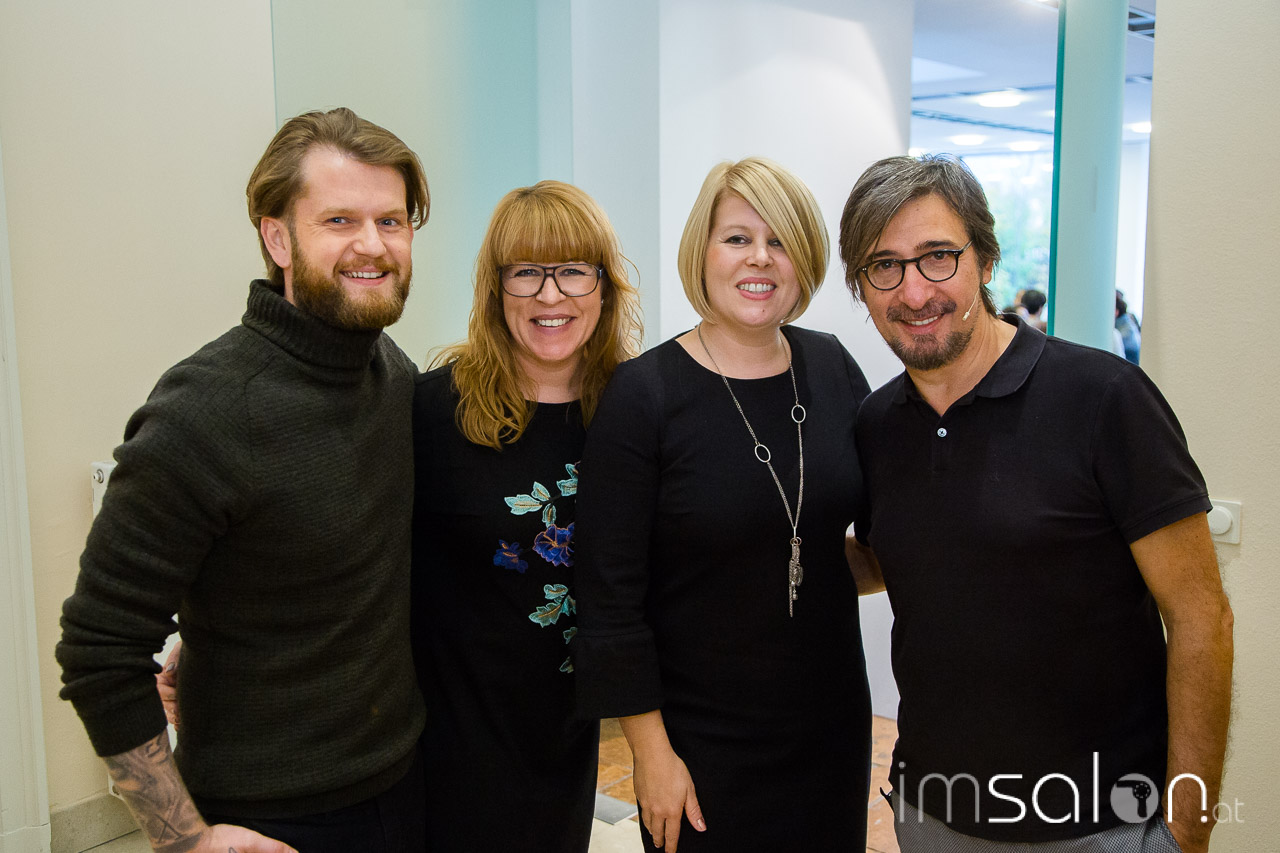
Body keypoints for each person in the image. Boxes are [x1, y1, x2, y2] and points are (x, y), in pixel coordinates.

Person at [57, 107, 431, 853]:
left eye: (391, 220)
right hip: (270, 817)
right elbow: (99, 649)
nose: (372, 244)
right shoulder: (204, 412)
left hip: (404, 782)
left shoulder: (391, 373)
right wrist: (184, 839)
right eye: (339, 220)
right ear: (277, 238)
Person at [838, 154, 1232, 853]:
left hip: (1101, 821)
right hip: (935, 814)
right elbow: (891, 558)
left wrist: (1187, 831)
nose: (914, 290)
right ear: (861, 288)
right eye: (884, 266)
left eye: (937, 257)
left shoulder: (1105, 398)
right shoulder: (875, 425)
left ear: (985, 260)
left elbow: (1201, 614)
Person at [575, 157, 876, 852]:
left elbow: (883, 529)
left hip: (830, 728)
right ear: (702, 253)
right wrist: (651, 754)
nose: (759, 258)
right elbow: (609, 599)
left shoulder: (832, 367)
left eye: (779, 240)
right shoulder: (644, 395)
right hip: (701, 743)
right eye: (737, 238)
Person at [410, 181, 643, 851]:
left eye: (572, 271)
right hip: (451, 746)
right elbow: (356, 543)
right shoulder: (434, 411)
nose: (550, 295)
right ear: (496, 288)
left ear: (604, 286)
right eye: (526, 273)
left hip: (567, 740)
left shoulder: (633, 413)